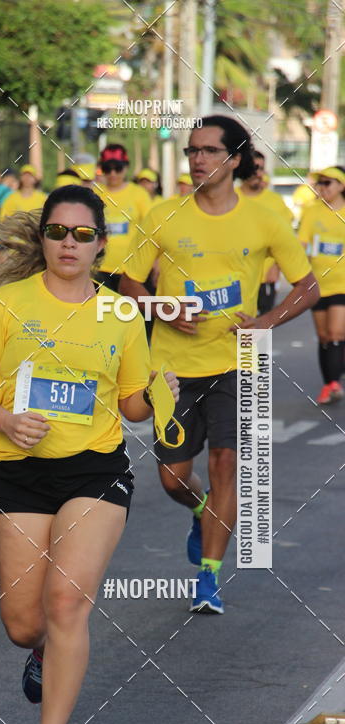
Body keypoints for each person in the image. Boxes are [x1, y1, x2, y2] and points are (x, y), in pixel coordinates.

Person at [0, 184, 178, 724]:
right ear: (44, 238)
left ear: (101, 245)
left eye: (83, 234)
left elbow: (132, 405)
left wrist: (160, 393)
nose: (70, 244)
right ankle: (39, 653)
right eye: (59, 232)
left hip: (94, 472)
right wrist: (4, 419)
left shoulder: (121, 314)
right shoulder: (8, 304)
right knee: (25, 624)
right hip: (18, 471)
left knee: (65, 605)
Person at [119, 115, 319, 614]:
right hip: (169, 366)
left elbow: (308, 286)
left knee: (226, 463)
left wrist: (266, 322)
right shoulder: (164, 215)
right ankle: (200, 510)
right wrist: (163, 307)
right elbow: (128, 284)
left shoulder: (264, 218)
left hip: (238, 363)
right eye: (192, 151)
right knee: (172, 478)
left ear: (234, 159)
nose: (198, 160)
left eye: (209, 151)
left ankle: (208, 578)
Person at [298, 167, 345, 403]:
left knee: (336, 332)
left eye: (328, 183)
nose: (323, 188)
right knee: (325, 336)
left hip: (342, 284)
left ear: (341, 185)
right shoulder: (311, 212)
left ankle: (335, 381)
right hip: (317, 284)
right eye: (320, 183)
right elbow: (302, 244)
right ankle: (329, 383)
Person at [237, 150, 293, 315]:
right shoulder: (230, 198)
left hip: (264, 277)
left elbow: (286, 240)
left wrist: (276, 266)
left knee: (259, 330)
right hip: (234, 278)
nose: (257, 173)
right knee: (233, 328)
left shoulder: (275, 202)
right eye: (253, 168)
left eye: (261, 168)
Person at [93, 144, 151, 292]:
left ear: (126, 167)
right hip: (99, 269)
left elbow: (152, 231)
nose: (112, 173)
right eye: (107, 169)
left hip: (131, 270)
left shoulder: (139, 194)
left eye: (117, 168)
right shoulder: (95, 194)